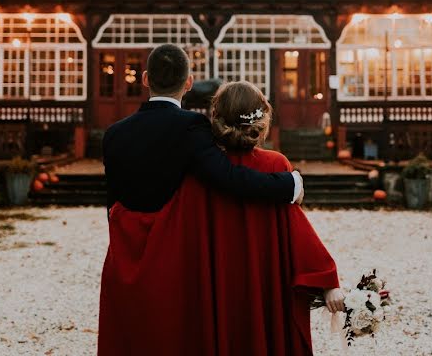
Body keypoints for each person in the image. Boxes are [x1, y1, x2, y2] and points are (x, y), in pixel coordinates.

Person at [98, 45, 306, 355]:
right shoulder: (191, 127)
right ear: (189, 82)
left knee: (130, 337)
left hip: (124, 249)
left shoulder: (113, 134)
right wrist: (287, 184)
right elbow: (228, 177)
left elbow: (112, 202)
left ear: (144, 79)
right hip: (173, 255)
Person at [202, 81, 344, 355]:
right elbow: (295, 230)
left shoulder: (205, 169)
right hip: (269, 284)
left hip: (219, 284)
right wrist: (326, 279)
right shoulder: (275, 165)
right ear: (262, 119)